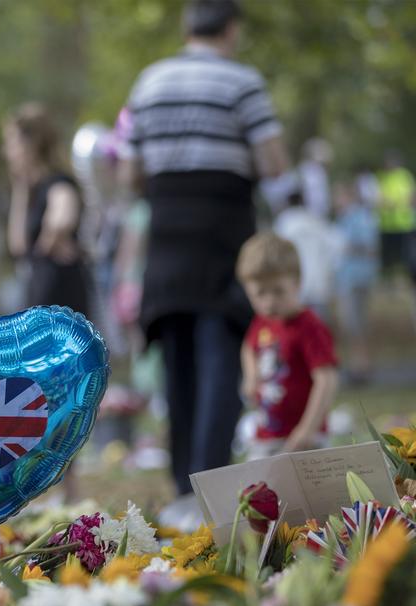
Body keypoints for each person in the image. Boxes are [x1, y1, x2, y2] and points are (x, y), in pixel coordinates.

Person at [120, 0, 290, 497]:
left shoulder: (147, 83)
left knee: (178, 363)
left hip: (168, 234)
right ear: (231, 28)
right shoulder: (243, 83)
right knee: (221, 357)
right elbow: (275, 161)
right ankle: (212, 485)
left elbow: (130, 173)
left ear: (187, 27)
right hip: (222, 236)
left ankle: (180, 488)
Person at [3, 102, 92, 501]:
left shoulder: (60, 182)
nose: (7, 151)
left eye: (11, 141)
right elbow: (18, 245)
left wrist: (54, 236)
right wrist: (21, 186)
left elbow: (64, 216)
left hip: (59, 294)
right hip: (38, 291)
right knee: (36, 387)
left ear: (31, 141)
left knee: (60, 387)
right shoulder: (33, 187)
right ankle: (49, 483)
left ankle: (67, 487)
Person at [238, 233, 338, 459]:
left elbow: (327, 379)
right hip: (266, 435)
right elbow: (248, 346)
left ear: (297, 282)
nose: (269, 302)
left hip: (306, 440)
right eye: (260, 293)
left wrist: (308, 429)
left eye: (278, 291)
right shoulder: (262, 322)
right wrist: (251, 375)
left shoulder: (309, 327)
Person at [333, 181, 380, 383]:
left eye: (339, 196)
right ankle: (360, 364)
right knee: (355, 323)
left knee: (354, 323)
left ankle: (361, 366)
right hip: (354, 277)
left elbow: (370, 248)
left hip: (355, 278)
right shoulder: (351, 218)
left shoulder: (357, 217)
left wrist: (345, 247)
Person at [273, 191, 338, 320]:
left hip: (294, 279)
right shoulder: (316, 219)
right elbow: (336, 245)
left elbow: (276, 251)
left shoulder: (283, 222)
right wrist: (330, 268)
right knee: (318, 321)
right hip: (318, 279)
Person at [376, 150, 416, 284]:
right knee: (388, 257)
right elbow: (378, 198)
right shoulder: (383, 177)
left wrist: (396, 203)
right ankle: (389, 280)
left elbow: (411, 197)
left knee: (405, 256)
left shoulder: (405, 176)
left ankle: (404, 279)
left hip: (403, 224)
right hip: (386, 225)